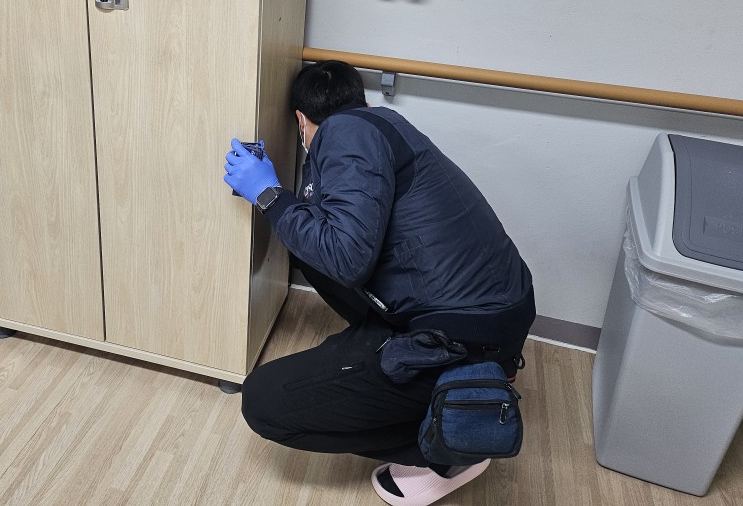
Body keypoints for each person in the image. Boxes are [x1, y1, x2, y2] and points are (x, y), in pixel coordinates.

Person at [223, 60, 535, 506]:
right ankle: (401, 363)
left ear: (301, 121)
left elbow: (347, 259)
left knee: (263, 402)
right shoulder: (381, 123)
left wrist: (270, 195)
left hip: (462, 336)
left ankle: (451, 443)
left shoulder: (343, 133)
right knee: (305, 244)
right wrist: (282, 198)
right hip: (492, 311)